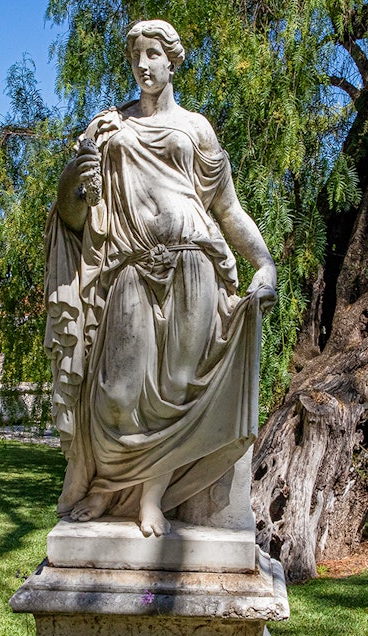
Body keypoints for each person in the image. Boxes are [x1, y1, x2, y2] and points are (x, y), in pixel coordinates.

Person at [44, 19, 276, 537]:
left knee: (175, 390)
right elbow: (72, 216)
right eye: (136, 57)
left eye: (154, 54)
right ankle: (105, 489)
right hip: (129, 265)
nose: (144, 65)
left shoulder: (196, 128)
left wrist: (265, 263)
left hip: (196, 262)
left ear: (173, 62)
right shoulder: (107, 127)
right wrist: (70, 182)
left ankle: (150, 499)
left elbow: (229, 209)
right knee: (116, 392)